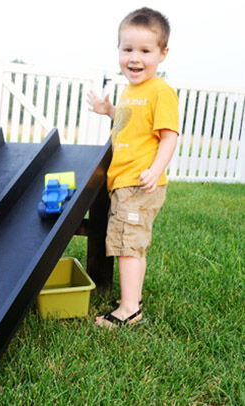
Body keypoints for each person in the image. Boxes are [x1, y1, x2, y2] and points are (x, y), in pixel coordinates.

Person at [87, 7, 178, 327]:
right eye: (128, 49)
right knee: (130, 243)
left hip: (140, 181)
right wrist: (109, 110)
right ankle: (131, 298)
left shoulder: (160, 91)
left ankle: (129, 311)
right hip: (125, 181)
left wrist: (155, 169)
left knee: (128, 245)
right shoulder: (130, 90)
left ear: (162, 53)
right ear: (118, 50)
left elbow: (169, 136)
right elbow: (129, 123)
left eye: (145, 50)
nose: (135, 58)